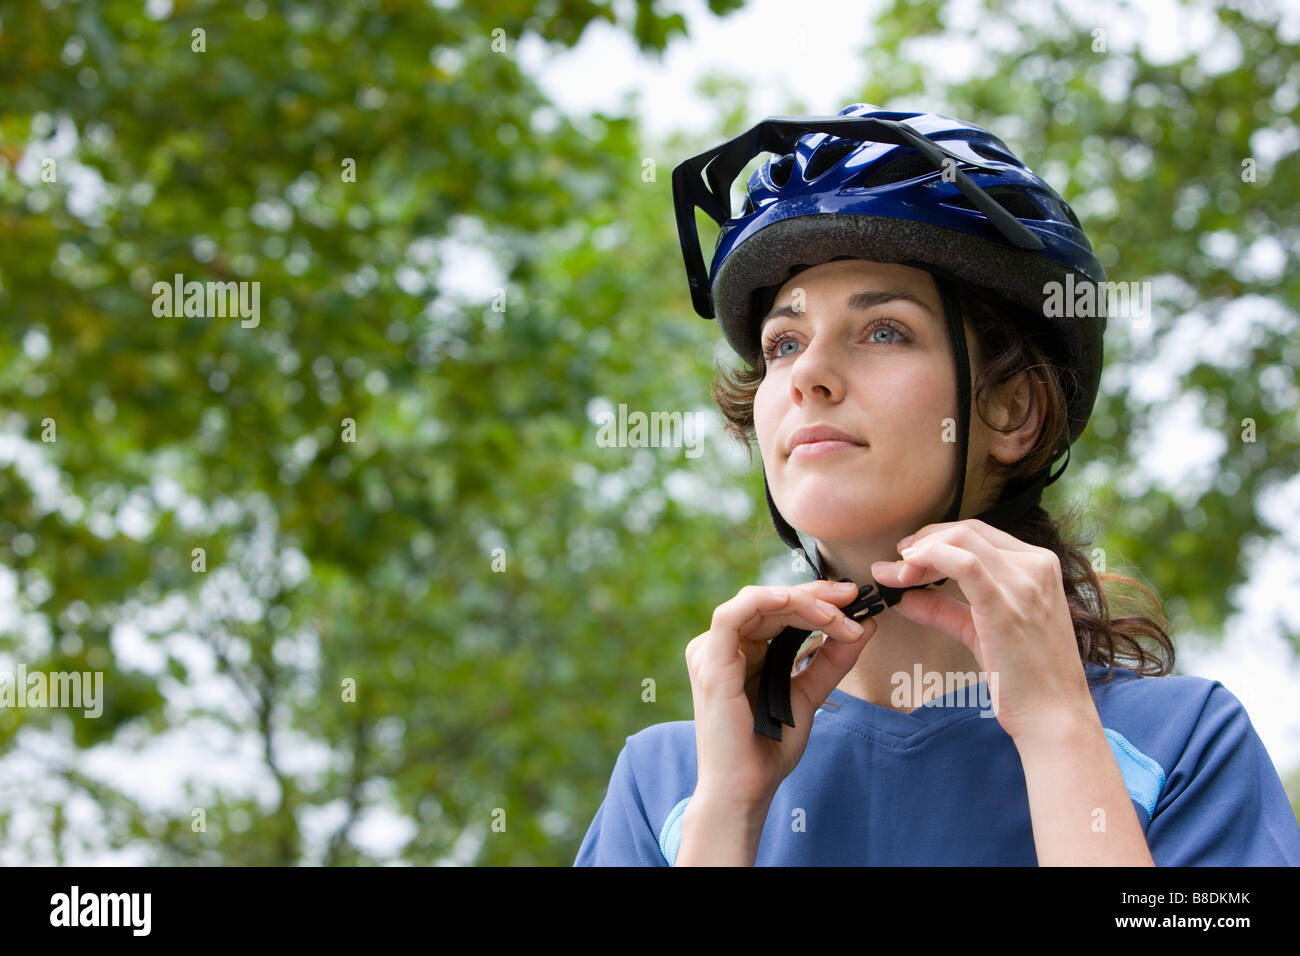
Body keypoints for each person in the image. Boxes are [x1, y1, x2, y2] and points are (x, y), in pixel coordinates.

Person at [573, 104, 1300, 865]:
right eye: (783, 342)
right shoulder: (667, 784)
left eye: (884, 329)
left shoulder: (1183, 745)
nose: (809, 376)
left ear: (1011, 406)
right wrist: (726, 811)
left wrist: (1058, 729)